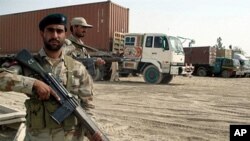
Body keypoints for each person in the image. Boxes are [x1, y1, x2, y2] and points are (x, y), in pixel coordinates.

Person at [0, 13, 95, 141]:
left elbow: (87, 106)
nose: (55, 35)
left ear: (65, 34)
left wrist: (92, 131)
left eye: (59, 31)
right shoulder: (28, 64)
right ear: (42, 33)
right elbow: (2, 78)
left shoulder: (78, 68)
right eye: (50, 30)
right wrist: (33, 84)